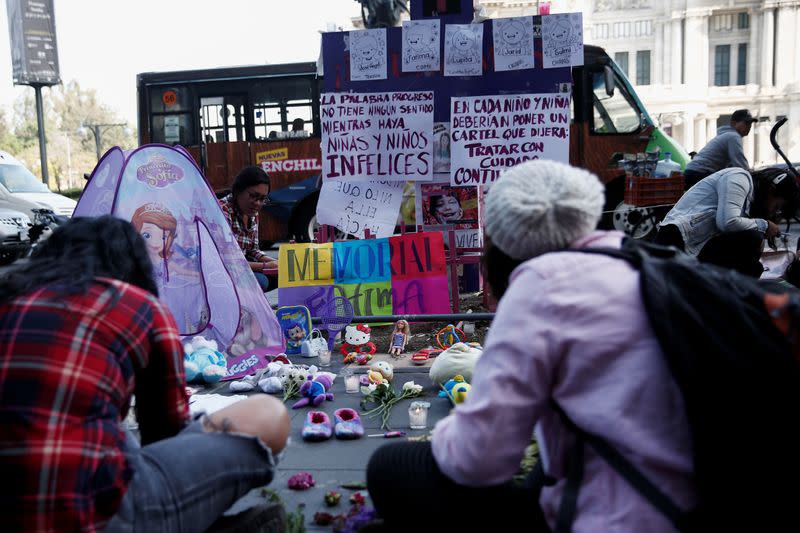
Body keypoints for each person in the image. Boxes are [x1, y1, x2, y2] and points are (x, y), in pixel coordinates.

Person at [367, 160, 694, 531]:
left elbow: (479, 459)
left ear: (504, 236)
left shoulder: (540, 284)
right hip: (688, 490)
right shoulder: (643, 261)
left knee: (391, 466)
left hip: (627, 515)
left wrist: (447, 431)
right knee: (544, 462)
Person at [0, 216, 290, 532]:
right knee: (268, 413)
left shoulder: (9, 298)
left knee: (114, 434)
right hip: (95, 513)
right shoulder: (138, 305)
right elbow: (165, 434)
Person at [656, 166, 798, 278]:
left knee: (753, 266)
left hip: (696, 244)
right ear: (771, 190)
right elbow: (728, 222)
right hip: (678, 239)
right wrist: (764, 225)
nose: (773, 213)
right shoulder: (738, 178)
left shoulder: (751, 201)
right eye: (776, 207)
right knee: (751, 239)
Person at [220, 166, 279, 292]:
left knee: (283, 275)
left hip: (242, 267)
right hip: (222, 271)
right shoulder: (222, 211)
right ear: (238, 191)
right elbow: (227, 261)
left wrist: (278, 263)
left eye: (262, 199)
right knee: (260, 281)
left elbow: (252, 251)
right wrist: (266, 266)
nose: (257, 203)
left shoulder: (253, 214)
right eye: (253, 196)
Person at [683, 109, 758, 189]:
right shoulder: (733, 136)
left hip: (694, 171)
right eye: (746, 123)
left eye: (750, 123)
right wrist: (754, 177)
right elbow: (741, 164)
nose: (749, 126)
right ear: (733, 123)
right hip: (700, 173)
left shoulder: (726, 135)